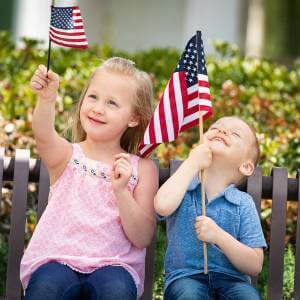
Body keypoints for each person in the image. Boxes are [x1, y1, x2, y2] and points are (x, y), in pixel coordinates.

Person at [20, 57, 158, 300]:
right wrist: (46, 99)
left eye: (112, 103)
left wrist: (122, 191)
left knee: (115, 291)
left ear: (134, 117)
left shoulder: (141, 169)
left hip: (114, 266)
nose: (97, 108)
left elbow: (142, 236)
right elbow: (43, 135)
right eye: (93, 97)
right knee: (46, 288)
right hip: (58, 259)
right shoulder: (67, 155)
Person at [154, 116, 267, 300]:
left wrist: (219, 236)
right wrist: (191, 164)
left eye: (234, 133)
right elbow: (161, 205)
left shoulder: (243, 203)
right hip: (185, 278)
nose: (222, 131)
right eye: (215, 127)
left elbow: (255, 265)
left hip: (233, 282)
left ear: (246, 166)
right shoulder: (184, 188)